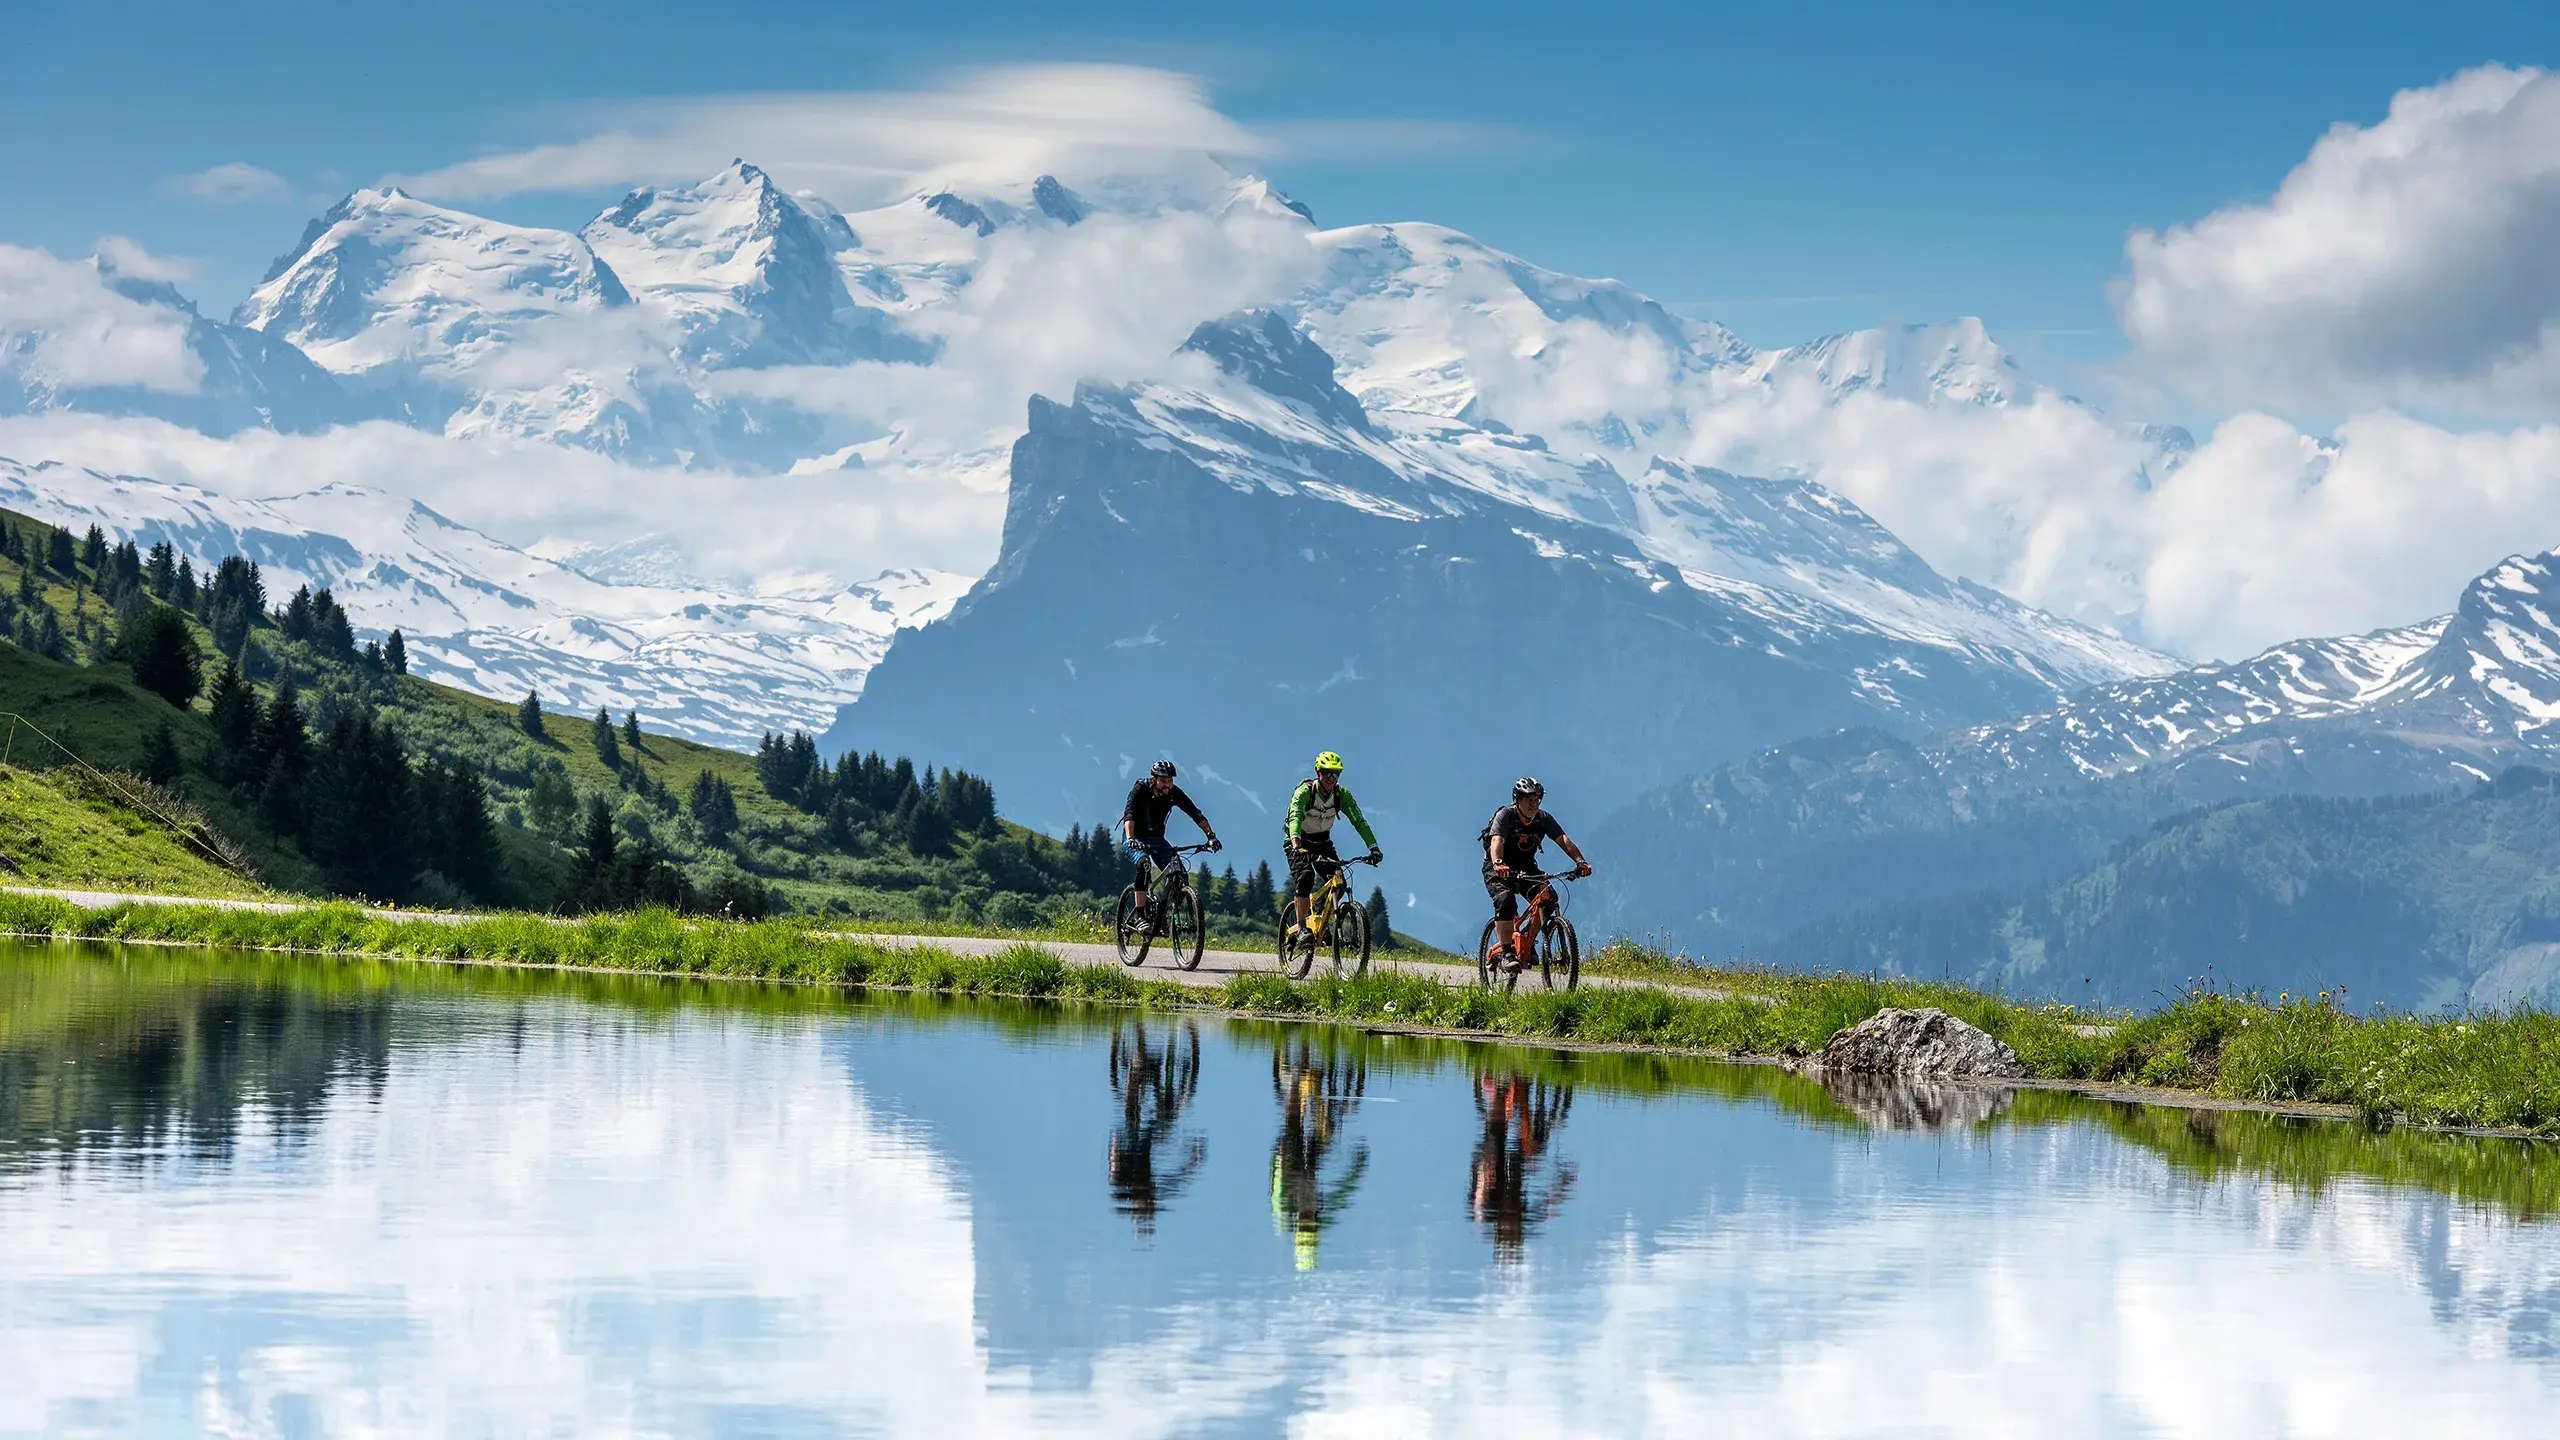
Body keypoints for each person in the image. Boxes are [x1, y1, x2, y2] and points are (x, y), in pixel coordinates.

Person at [1482, 777, 1590, 969]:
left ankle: (1527, 940)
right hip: (1498, 867)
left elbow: (1563, 839)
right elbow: (1496, 840)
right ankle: (1507, 953)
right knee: (1506, 900)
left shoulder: (1543, 819)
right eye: (1528, 799)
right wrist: (1498, 863)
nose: (1534, 803)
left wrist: (1580, 861)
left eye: (1537, 799)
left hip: (1526, 867)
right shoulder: (1506, 815)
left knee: (1548, 898)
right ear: (1517, 799)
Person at [1282, 750, 1382, 940]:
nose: (1331, 778)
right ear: (1318, 773)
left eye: (1336, 773)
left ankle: (1320, 919)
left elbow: (1359, 821)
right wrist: (1296, 844)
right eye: (1327, 773)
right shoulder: (1305, 792)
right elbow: (1295, 817)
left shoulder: (1341, 795)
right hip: (1298, 841)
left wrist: (1373, 848)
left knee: (1339, 884)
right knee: (1305, 877)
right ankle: (1302, 928)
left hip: (1322, 842)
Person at [1122, 759, 1219, 917]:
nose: (1167, 785)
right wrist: (1130, 838)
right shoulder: (1140, 789)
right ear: (1154, 779)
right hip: (1135, 837)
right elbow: (1129, 815)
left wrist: (1210, 836)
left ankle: (1162, 915)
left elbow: (1195, 813)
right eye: (1163, 781)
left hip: (1157, 839)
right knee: (1143, 864)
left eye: (1170, 781)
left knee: (1178, 874)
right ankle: (1140, 915)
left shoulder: (1174, 793)